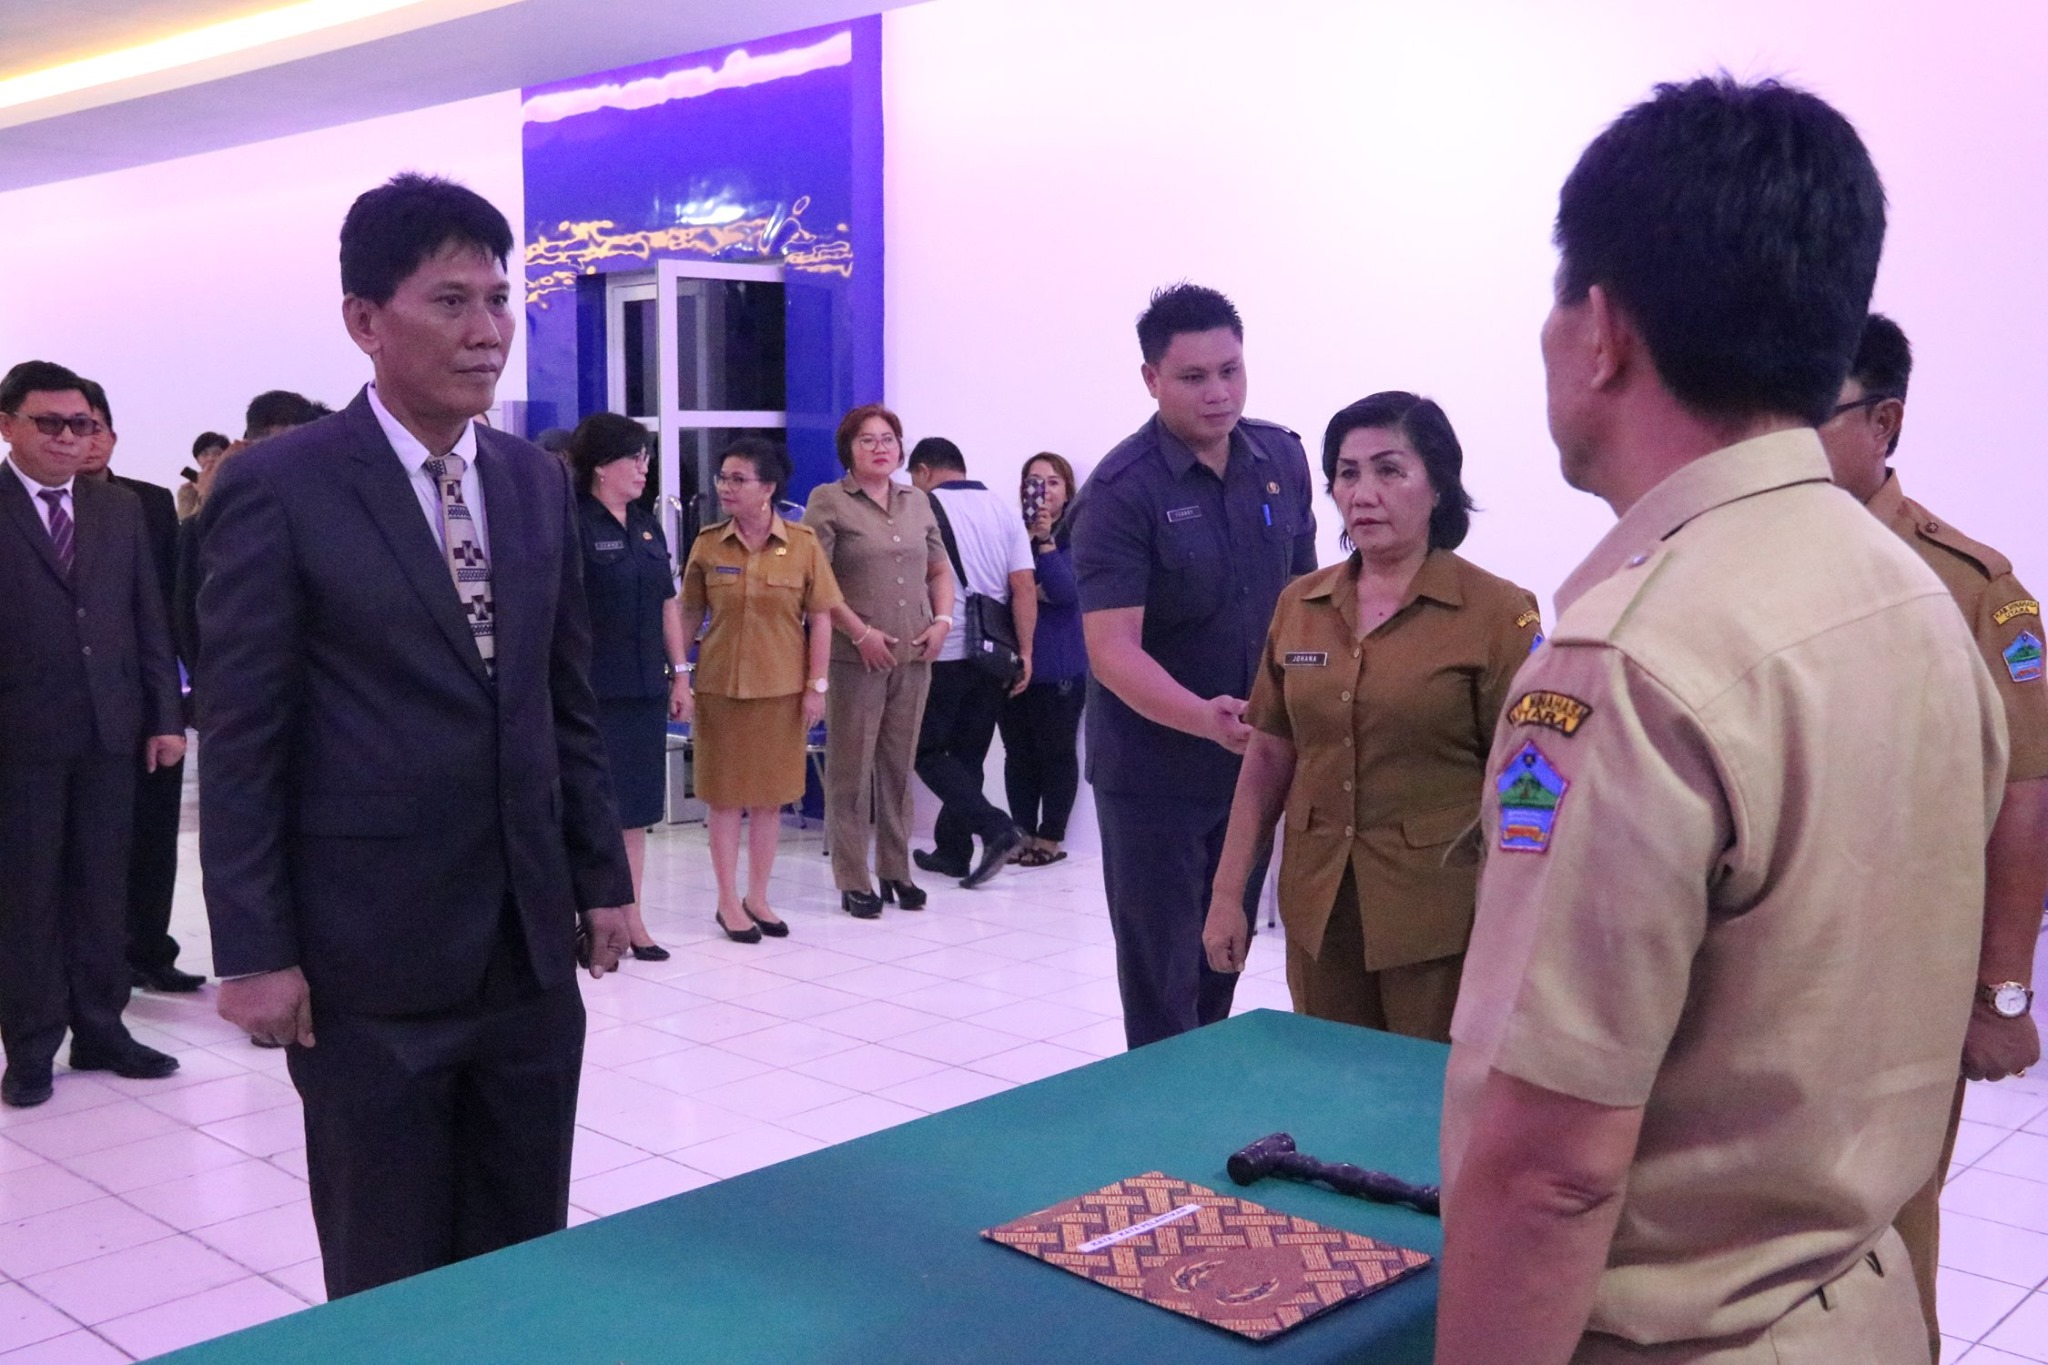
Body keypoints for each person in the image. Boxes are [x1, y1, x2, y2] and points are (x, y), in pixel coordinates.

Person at [1436, 79, 2006, 1364]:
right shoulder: (1910, 598)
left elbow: (1550, 1172)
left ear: (1599, 331)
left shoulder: (1624, 661)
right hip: (1863, 1310)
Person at [197, 173, 635, 1298]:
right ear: (364, 319)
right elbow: (243, 736)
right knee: (389, 1261)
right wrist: (253, 949)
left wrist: (602, 878)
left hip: (527, 950)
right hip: (368, 957)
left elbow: (564, 700)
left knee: (523, 1246)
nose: (487, 331)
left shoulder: (533, 482)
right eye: (450, 301)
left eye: (498, 300)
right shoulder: (282, 487)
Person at [1817, 313, 2048, 1355]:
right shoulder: (1727, 564)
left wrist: (2003, 991)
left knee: (1886, 1230)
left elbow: (2023, 798)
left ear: (1883, 423)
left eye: (1808, 414)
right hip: (1751, 962)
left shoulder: (1973, 591)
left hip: (1897, 976)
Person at [1200, 393, 1539, 1041]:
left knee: (1426, 1090)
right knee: (1330, 1082)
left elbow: (1530, 780)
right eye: (1347, 473)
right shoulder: (1300, 604)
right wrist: (1226, 894)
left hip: (1440, 916)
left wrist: (1522, 918)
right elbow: (1268, 756)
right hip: (1320, 907)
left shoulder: (1498, 613)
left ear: (1438, 486)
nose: (1363, 494)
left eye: (1389, 470)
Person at [1070, 283, 1317, 1050]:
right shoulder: (1120, 492)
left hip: (1252, 767)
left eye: (1230, 370)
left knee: (1222, 959)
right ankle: (1159, 1117)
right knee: (1162, 981)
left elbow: (1307, 599)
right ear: (1151, 378)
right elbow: (1112, 650)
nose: (1219, 393)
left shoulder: (1280, 458)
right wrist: (1203, 717)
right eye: (1194, 377)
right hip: (1154, 776)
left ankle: (1201, 1099)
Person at [0, 360, 184, 1109]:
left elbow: (148, 616)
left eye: (79, 424)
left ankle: (103, 1029)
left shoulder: (117, 509)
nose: (68, 438)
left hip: (112, 732)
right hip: (20, 739)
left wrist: (166, 716)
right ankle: (31, 1045)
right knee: (28, 897)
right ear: (7, 425)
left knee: (103, 890)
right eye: (49, 423)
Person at [675, 437, 842, 941]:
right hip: (721, 689)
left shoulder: (803, 544)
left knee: (771, 800)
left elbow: (821, 619)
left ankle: (759, 897)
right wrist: (678, 675)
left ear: (768, 488)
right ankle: (728, 901)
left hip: (782, 691)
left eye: (738, 479)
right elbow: (688, 612)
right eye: (723, 478)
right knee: (724, 799)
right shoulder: (708, 543)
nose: (726, 487)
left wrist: (817, 686)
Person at [74, 378, 206, 994]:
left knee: (153, 832)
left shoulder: (146, 502)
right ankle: (88, 963)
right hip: (73, 703)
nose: (84, 440)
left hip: (146, 692)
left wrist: (172, 702)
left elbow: (169, 602)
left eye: (94, 426)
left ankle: (149, 949)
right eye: (69, 426)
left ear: (111, 434)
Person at [803, 405, 954, 918]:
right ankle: (853, 878)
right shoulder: (828, 501)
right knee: (851, 769)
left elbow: (939, 570)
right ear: (848, 449)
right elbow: (816, 581)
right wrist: (860, 632)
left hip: (913, 653)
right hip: (855, 658)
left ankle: (895, 869)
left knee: (898, 766)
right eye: (867, 440)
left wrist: (942, 622)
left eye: (888, 438)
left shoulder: (917, 501)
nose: (880, 448)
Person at [568, 412, 683, 961]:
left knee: (635, 810)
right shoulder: (573, 523)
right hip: (591, 692)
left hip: (642, 691)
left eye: (646, 458)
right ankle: (590, 918)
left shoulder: (646, 525)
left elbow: (667, 604)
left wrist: (680, 673)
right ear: (599, 466)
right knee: (593, 810)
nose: (643, 468)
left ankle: (633, 918)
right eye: (633, 458)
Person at [908, 437, 1035, 888]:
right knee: (968, 756)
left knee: (924, 751)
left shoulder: (922, 508)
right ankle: (953, 851)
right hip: (994, 655)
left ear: (923, 471)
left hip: (942, 648)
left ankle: (996, 827)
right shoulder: (1003, 510)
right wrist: (1026, 652)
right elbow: (1023, 586)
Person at [998, 452, 1087, 868]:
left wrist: (1046, 542)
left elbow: (1066, 592)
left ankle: (1049, 838)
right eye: (1033, 483)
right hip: (1014, 664)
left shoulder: (1080, 535)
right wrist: (1031, 591)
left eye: (1052, 482)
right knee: (1017, 754)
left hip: (1060, 667)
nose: (1043, 491)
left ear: (1068, 491)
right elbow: (1002, 589)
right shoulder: (1009, 534)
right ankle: (1021, 834)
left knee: (1056, 753)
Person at [177, 431, 229, 520]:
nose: (211, 458)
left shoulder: (235, 480)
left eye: (217, 453)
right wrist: (203, 492)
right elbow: (188, 523)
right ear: (198, 460)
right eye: (204, 454)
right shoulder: (188, 490)